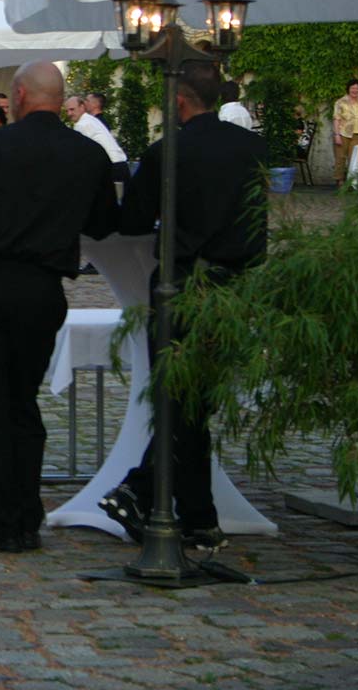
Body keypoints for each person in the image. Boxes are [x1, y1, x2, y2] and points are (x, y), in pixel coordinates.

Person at [0, 61, 119, 554]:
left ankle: (6, 516)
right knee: (22, 401)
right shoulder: (87, 153)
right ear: (61, 99)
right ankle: (26, 514)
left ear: (18, 95)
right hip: (42, 289)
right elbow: (103, 224)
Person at [99, 61, 267, 552]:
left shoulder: (166, 152)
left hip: (181, 284)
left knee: (179, 400)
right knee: (196, 402)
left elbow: (132, 222)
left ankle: (141, 490)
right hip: (234, 286)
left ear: (178, 100)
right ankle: (197, 516)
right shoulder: (252, 148)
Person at [64, 94, 129, 181]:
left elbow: (80, 154)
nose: (69, 113)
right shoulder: (91, 120)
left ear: (82, 107)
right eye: (67, 111)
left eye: (72, 109)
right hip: (119, 165)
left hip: (112, 169)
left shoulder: (83, 124)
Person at [333, 79, 358, 185]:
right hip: (343, 134)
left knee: (355, 160)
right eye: (353, 88)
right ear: (348, 89)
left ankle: (352, 182)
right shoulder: (341, 102)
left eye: (357, 88)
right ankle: (340, 180)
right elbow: (336, 119)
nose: (355, 90)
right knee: (341, 157)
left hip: (357, 135)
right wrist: (337, 135)